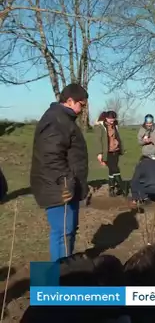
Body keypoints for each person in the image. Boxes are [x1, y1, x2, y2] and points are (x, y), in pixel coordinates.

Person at [30, 83, 89, 262]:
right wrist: (66, 181)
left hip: (66, 186)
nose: (83, 109)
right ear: (70, 101)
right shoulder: (56, 120)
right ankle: (61, 277)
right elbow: (51, 156)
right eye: (81, 104)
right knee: (62, 233)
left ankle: (67, 269)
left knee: (68, 231)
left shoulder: (63, 119)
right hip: (59, 188)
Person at [96, 110, 127, 197]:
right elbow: (98, 140)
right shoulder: (101, 127)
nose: (112, 120)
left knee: (112, 170)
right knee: (115, 169)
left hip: (115, 150)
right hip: (107, 152)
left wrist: (120, 146)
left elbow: (117, 137)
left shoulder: (115, 126)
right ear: (106, 118)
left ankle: (111, 189)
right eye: (110, 118)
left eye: (113, 118)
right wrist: (99, 153)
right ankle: (122, 187)